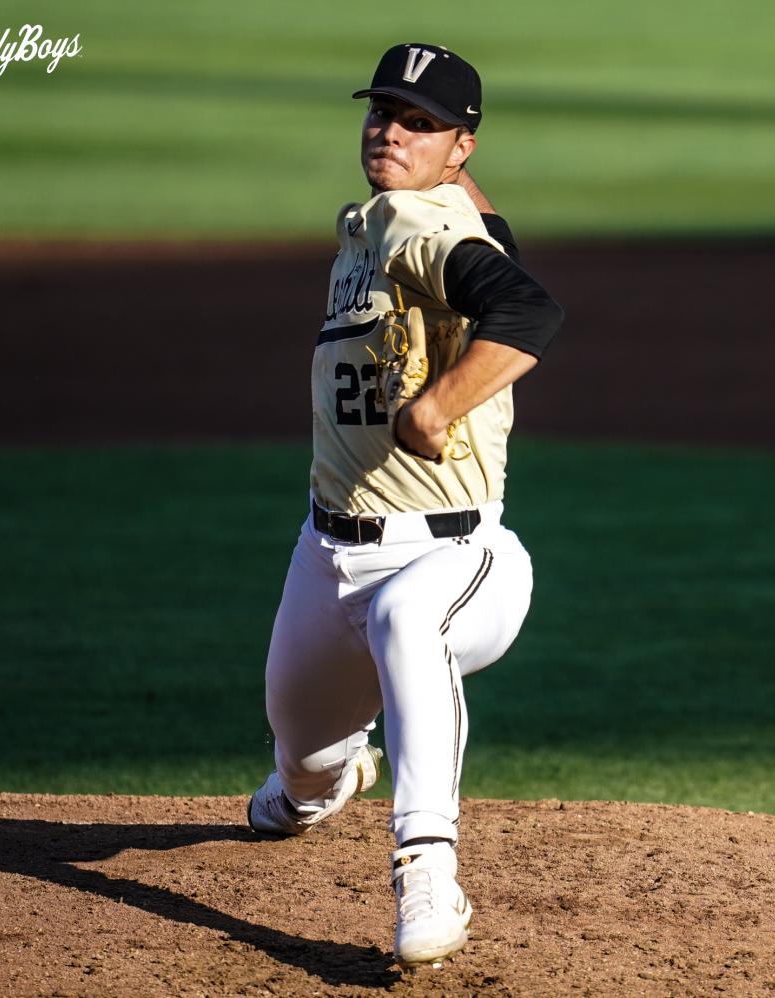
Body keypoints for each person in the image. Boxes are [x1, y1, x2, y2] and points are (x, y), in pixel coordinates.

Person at [246, 42, 563, 968]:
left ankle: (426, 867)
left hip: (458, 558)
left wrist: (439, 404)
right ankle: (323, 781)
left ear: (460, 147)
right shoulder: (376, 224)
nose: (390, 129)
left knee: (406, 614)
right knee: (300, 761)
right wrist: (456, 171)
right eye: (383, 110)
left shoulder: (412, 225)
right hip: (326, 555)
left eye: (419, 123)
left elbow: (529, 312)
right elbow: (492, 244)